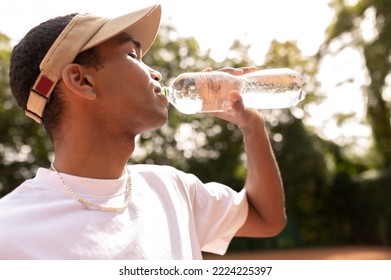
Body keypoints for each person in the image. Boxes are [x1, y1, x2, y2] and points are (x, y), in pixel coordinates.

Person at [0, 4, 286, 259]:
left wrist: (252, 126)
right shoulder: (9, 233)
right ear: (82, 80)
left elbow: (266, 218)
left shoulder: (171, 188)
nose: (156, 73)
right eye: (132, 55)